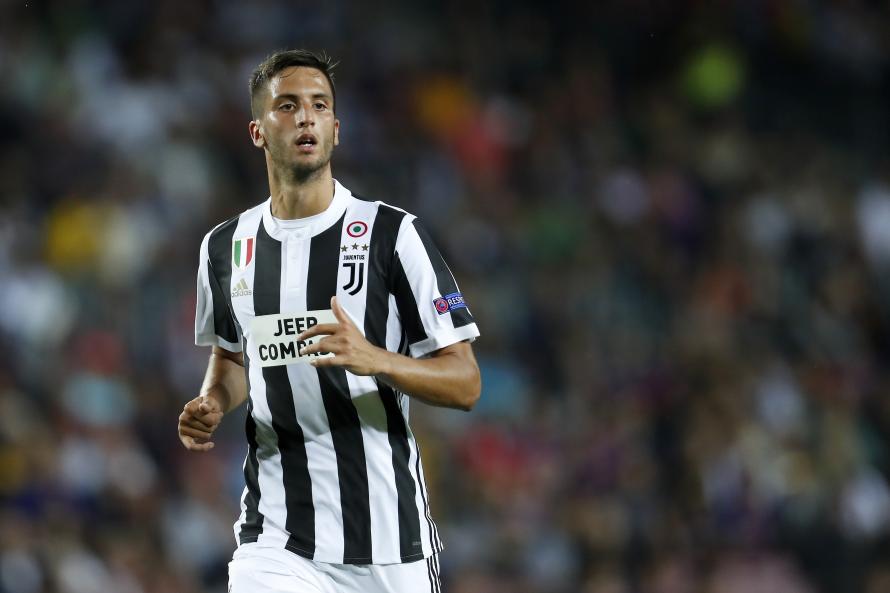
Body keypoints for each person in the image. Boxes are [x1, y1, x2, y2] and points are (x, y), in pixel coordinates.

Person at [178, 49, 481, 593]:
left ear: (336, 130)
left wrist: (375, 360)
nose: (305, 117)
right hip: (276, 537)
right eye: (287, 106)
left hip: (389, 543)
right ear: (257, 131)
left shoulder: (393, 235)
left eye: (319, 106)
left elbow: (465, 383)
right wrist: (213, 402)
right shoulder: (225, 248)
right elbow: (232, 356)